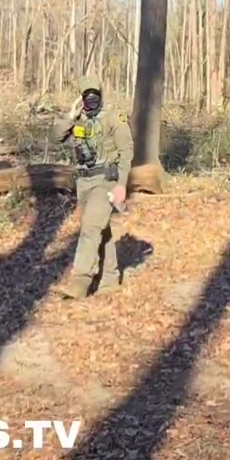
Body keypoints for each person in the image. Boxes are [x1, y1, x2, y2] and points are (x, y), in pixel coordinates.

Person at [51, 76, 134, 299]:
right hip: (84, 182)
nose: (91, 99)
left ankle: (80, 280)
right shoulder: (78, 119)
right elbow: (56, 137)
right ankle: (109, 279)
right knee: (100, 228)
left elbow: (127, 152)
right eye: (86, 95)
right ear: (81, 97)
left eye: (94, 94)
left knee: (90, 226)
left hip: (106, 181)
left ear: (101, 94)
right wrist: (71, 116)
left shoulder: (114, 117)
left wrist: (122, 186)